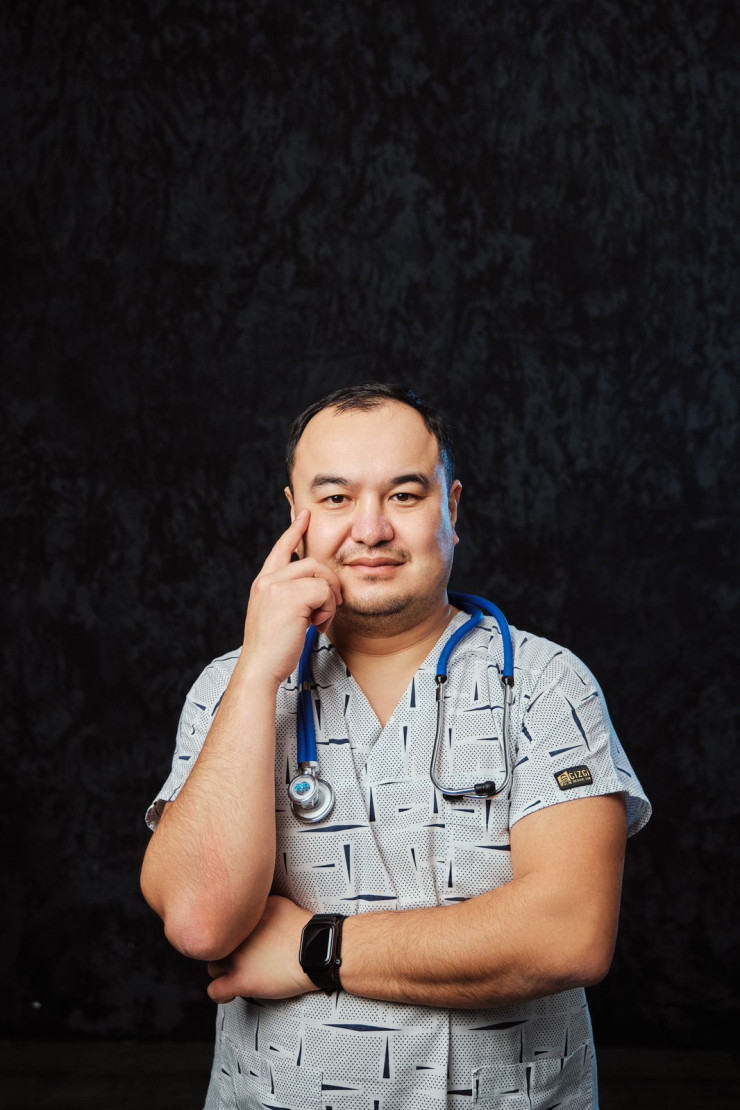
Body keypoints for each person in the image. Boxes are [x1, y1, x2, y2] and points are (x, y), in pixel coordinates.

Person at [141, 383, 651, 1110]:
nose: (372, 529)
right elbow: (200, 920)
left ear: (452, 509)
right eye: (336, 498)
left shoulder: (543, 682)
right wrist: (258, 674)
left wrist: (317, 948)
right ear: (294, 516)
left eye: (405, 495)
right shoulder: (230, 688)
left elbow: (569, 934)